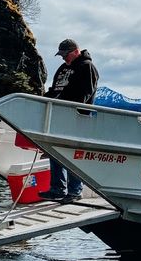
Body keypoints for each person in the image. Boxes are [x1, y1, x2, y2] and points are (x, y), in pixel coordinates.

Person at [39, 38, 99, 203]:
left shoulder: (87, 67)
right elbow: (54, 90)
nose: (63, 58)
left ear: (75, 51)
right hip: (58, 115)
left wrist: (67, 105)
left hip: (76, 117)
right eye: (62, 55)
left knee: (72, 154)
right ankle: (57, 188)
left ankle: (75, 191)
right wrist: (41, 102)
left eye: (66, 54)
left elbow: (85, 94)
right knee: (54, 151)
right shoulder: (63, 68)